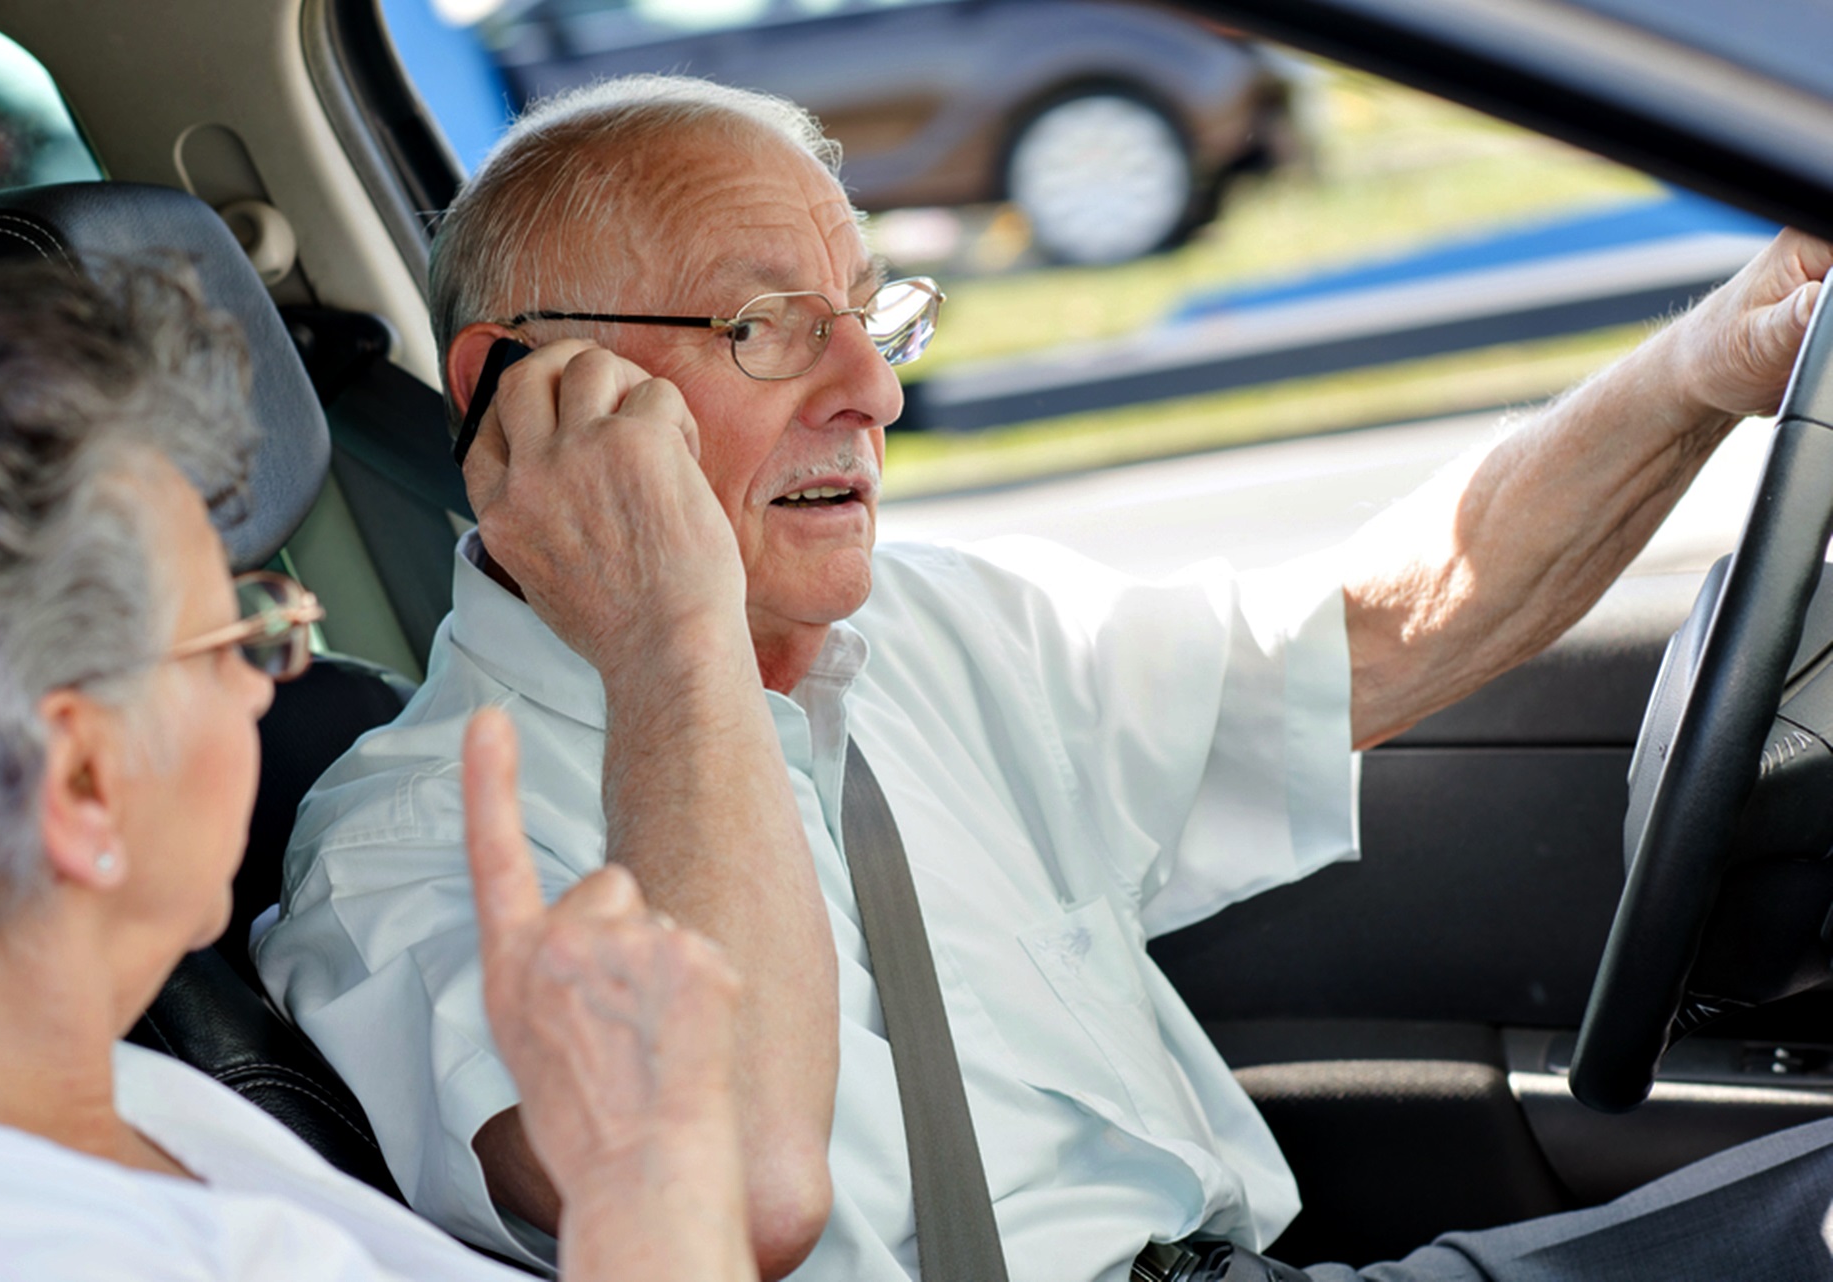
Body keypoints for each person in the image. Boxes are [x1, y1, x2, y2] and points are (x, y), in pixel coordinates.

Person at [255, 74, 1833, 1281]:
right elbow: (715, 1188)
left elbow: (1373, 632)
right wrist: (672, 637)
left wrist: (1705, 368)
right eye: (766, 326)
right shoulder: (407, 854)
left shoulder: (928, 633)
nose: (871, 387)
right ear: (521, 388)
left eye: (868, 312)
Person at [0, 259, 758, 1282]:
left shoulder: (121, 1098)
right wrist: (648, 1169)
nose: (271, 687)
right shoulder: (17, 1242)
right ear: (85, 782)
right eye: (237, 636)